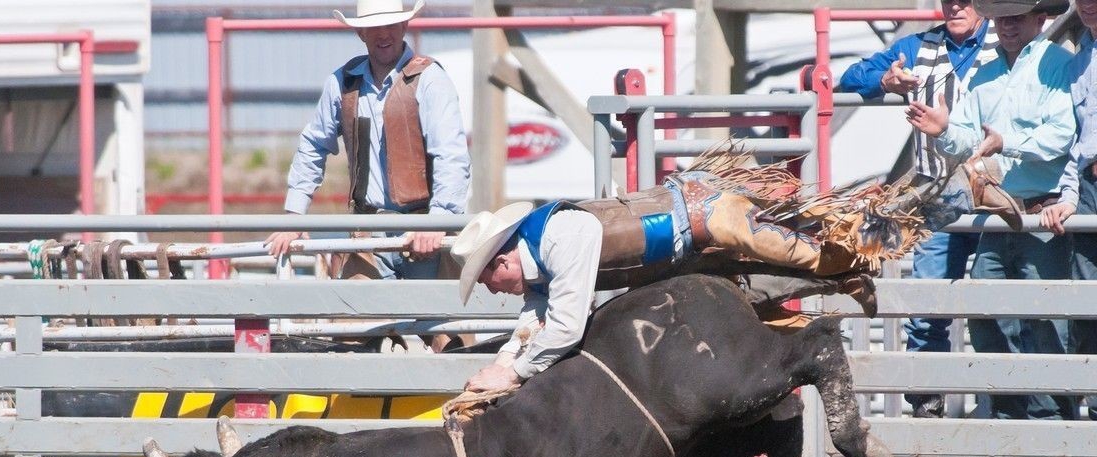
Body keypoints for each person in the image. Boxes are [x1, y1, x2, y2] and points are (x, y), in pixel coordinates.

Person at [450, 164, 924, 394]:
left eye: (489, 281)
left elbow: (566, 325)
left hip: (705, 213)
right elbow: (533, 324)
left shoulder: (559, 236)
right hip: (678, 255)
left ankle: (869, 248)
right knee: (746, 296)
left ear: (502, 262)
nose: (494, 290)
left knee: (798, 250)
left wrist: (513, 372)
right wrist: (501, 366)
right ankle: (843, 281)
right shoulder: (538, 263)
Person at [906, 1, 1077, 420]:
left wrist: (1006, 142)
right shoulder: (986, 74)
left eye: (1016, 18)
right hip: (998, 212)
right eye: (1002, 19)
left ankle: (1051, 423)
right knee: (987, 315)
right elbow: (970, 137)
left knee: (1045, 322)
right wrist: (944, 130)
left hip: (1042, 211)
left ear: (1040, 19)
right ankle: (1006, 417)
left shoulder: (1058, 64)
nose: (1007, 26)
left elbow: (1062, 134)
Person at [838, 0, 997, 419]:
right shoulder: (918, 46)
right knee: (927, 309)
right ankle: (927, 412)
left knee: (999, 307)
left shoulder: (1010, 38)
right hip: (940, 199)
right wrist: (885, 80)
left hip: (996, 198)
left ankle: (1004, 407)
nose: (955, 6)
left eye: (965, 0)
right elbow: (851, 76)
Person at [265, 0, 470, 283]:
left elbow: (451, 155)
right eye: (373, 27)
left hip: (423, 228)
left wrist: (437, 221)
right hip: (367, 230)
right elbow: (313, 144)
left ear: (404, 26)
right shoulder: (342, 82)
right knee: (357, 310)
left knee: (433, 312)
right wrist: (294, 216)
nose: (383, 34)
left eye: (390, 25)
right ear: (360, 33)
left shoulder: (430, 80)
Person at [1038, 0, 1097, 420]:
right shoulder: (1080, 60)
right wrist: (1071, 196)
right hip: (1089, 185)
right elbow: (1078, 143)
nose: (1088, 4)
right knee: (1087, 298)